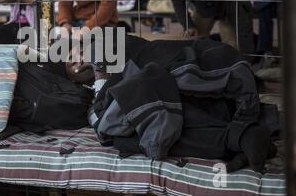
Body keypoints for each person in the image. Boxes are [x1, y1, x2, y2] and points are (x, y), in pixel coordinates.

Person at [72, 32, 277, 173]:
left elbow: (145, 54)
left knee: (129, 119)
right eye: (72, 65)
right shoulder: (96, 91)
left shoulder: (106, 46)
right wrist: (101, 79)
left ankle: (236, 137)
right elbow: (101, 117)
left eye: (78, 54)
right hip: (202, 104)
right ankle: (241, 136)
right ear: (73, 81)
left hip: (201, 76)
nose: (79, 62)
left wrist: (101, 70)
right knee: (130, 131)